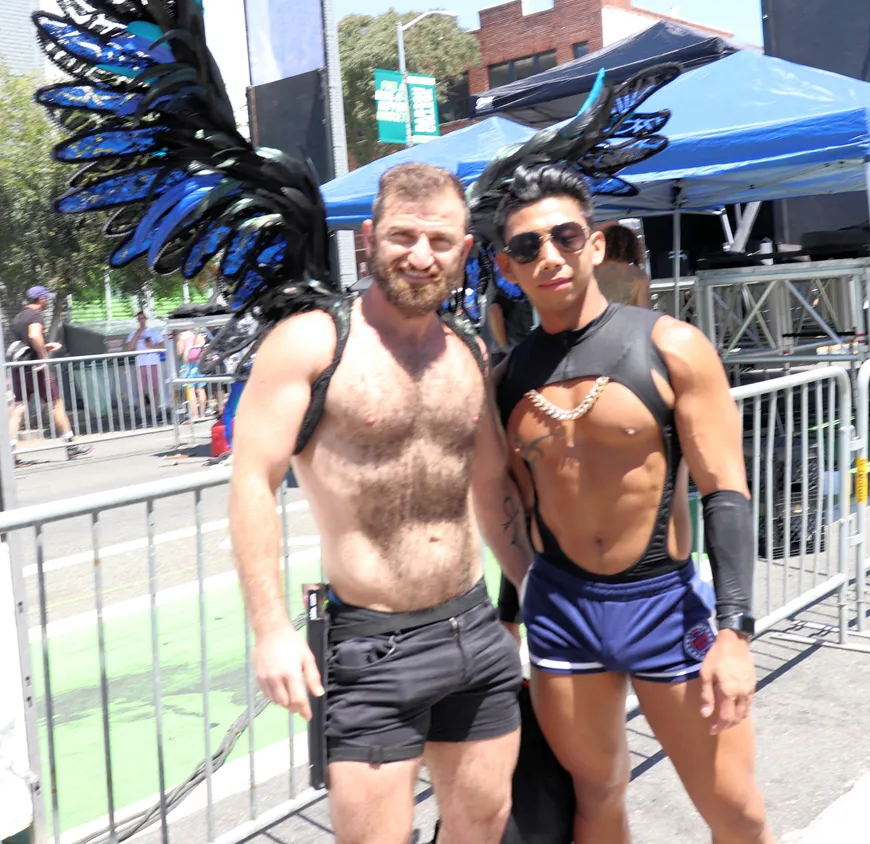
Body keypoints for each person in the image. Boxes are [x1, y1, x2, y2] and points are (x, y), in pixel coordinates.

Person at [228, 163, 530, 844]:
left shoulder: (468, 349)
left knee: (483, 824)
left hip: (474, 629)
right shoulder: (312, 343)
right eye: (403, 236)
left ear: (464, 250)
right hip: (372, 650)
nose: (421, 256)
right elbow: (252, 481)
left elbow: (491, 483)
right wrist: (270, 629)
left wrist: (531, 585)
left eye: (440, 240)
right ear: (368, 239)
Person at [489, 168, 773, 844]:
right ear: (507, 266)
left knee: (736, 812)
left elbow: (725, 489)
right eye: (528, 246)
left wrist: (734, 633)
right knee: (595, 800)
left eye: (565, 236)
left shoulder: (671, 347)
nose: (549, 256)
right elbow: (519, 514)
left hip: (664, 606)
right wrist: (508, 621)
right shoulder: (506, 380)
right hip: (561, 614)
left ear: (595, 244)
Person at [7, 286, 91, 461]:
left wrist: (45, 346)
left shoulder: (19, 317)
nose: (48, 301)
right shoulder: (35, 316)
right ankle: (71, 446)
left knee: (18, 408)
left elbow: (25, 343)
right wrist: (44, 357)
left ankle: (10, 454)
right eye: (46, 298)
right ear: (41, 299)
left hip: (20, 367)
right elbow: (34, 335)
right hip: (36, 368)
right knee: (55, 405)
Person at [594, 223, 651, 308]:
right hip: (626, 316)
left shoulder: (592, 271)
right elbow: (645, 310)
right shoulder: (639, 276)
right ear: (632, 247)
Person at [125, 312, 167, 422]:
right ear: (137, 320)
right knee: (141, 390)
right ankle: (142, 415)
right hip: (141, 364)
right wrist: (137, 335)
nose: (141, 321)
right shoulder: (134, 333)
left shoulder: (154, 332)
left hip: (153, 362)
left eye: (143, 318)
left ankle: (155, 414)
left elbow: (163, 345)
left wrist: (152, 346)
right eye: (139, 319)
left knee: (154, 389)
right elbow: (129, 348)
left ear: (146, 319)